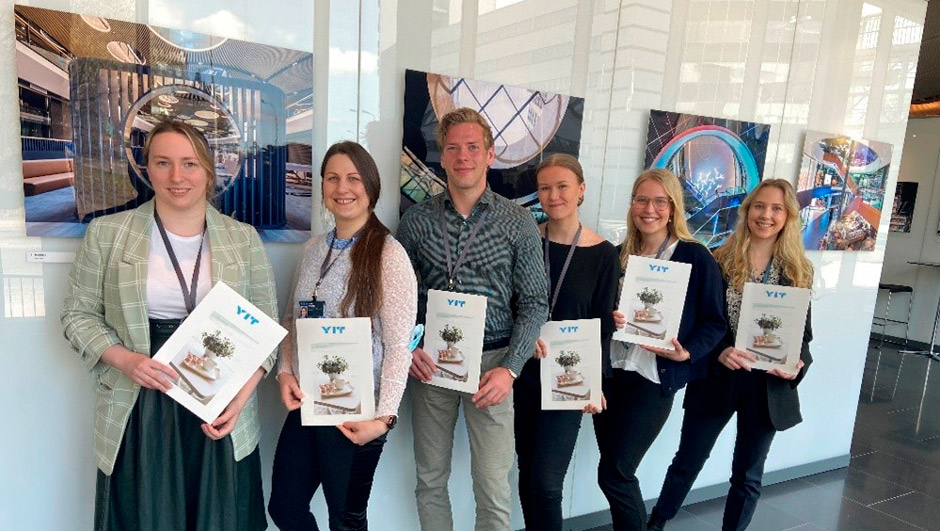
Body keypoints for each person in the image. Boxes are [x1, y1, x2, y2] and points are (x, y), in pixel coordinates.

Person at [60, 120, 277, 531]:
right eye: (163, 163)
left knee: (220, 517)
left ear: (208, 170)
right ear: (147, 168)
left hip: (219, 401)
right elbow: (76, 315)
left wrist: (238, 400)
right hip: (141, 402)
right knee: (146, 515)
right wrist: (126, 360)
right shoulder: (108, 234)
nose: (177, 176)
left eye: (189, 163)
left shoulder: (243, 239)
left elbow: (266, 332)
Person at [397, 107, 549, 531]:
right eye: (453, 148)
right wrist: (409, 349)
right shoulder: (416, 221)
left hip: (493, 364)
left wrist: (511, 369)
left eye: (472, 147)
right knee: (430, 479)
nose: (463, 156)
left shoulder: (517, 221)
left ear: (490, 154)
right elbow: (398, 301)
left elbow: (535, 301)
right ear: (442, 156)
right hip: (432, 363)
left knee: (493, 486)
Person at [647, 179, 814, 531]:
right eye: (759, 206)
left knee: (748, 474)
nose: (766, 215)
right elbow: (699, 321)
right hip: (717, 377)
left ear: (788, 216)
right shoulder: (718, 259)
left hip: (767, 386)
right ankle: (656, 523)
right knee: (688, 461)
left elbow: (803, 335)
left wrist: (796, 365)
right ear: (747, 210)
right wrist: (719, 351)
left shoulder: (798, 270)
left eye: (776, 209)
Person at [268, 141, 417, 530]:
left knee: (345, 521)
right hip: (308, 403)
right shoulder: (314, 248)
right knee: (285, 508)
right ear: (322, 186)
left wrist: (383, 420)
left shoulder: (389, 255)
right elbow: (293, 318)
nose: (342, 188)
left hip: (357, 412)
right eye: (332, 178)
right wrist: (285, 371)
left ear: (370, 185)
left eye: (353, 178)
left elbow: (399, 347)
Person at [599, 168, 727, 531]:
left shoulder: (695, 257)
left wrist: (687, 352)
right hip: (611, 375)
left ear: (673, 208)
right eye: (642, 200)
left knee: (615, 473)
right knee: (613, 472)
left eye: (659, 201)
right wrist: (609, 316)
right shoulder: (618, 255)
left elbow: (715, 322)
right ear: (632, 205)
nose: (649, 209)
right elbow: (600, 311)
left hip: (652, 378)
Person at [515, 154, 619, 530]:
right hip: (523, 372)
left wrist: (594, 382)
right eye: (545, 188)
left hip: (569, 377)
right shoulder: (526, 240)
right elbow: (510, 302)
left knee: (546, 483)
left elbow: (602, 323)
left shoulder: (604, 254)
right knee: (527, 472)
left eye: (562, 186)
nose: (553, 195)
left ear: (581, 191)